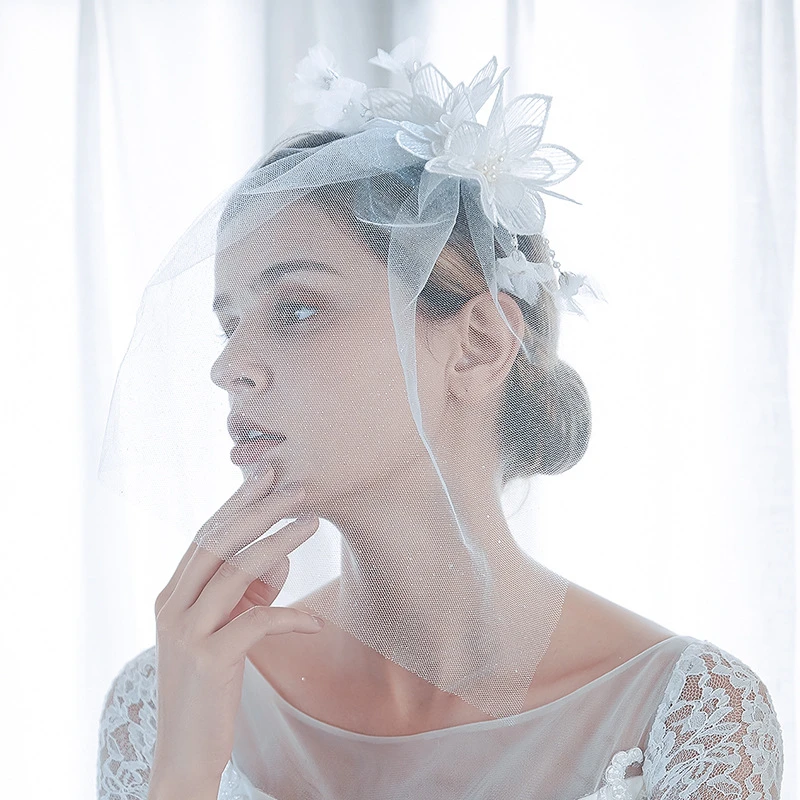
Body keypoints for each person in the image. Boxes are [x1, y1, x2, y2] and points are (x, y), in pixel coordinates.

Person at [96, 40, 785, 800]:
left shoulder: (684, 717)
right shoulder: (169, 699)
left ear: (479, 344)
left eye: (295, 308)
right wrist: (185, 770)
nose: (229, 368)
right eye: (229, 325)